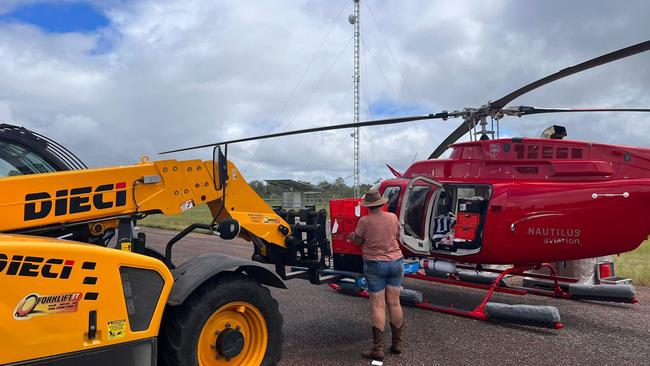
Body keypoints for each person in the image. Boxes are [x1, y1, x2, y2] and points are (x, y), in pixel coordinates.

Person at [347, 189, 404, 361]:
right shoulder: (393, 217)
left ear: (368, 206)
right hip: (396, 262)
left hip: (375, 265)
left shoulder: (364, 221)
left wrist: (352, 237)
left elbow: (357, 241)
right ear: (381, 203)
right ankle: (397, 343)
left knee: (378, 305)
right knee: (394, 303)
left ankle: (378, 349)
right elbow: (397, 235)